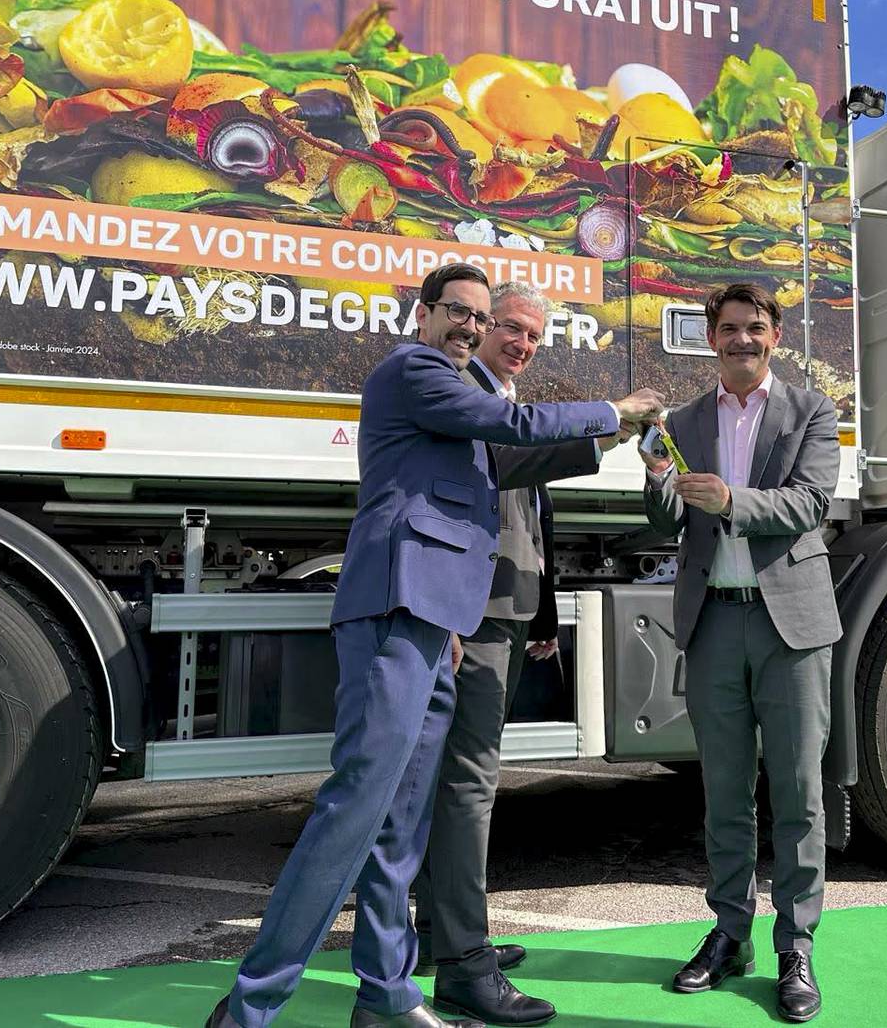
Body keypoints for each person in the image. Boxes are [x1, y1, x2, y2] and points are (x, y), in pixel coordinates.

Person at [206, 263, 665, 1028]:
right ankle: (251, 1007)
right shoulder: (414, 370)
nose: (471, 328)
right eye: (460, 312)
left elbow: (510, 462)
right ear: (423, 313)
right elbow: (513, 431)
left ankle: (388, 996)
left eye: (479, 319)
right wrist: (609, 406)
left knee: (399, 824)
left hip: (433, 619)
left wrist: (610, 435)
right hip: (395, 607)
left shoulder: (451, 397)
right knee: (356, 809)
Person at [412, 281, 632, 1026]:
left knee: (457, 783)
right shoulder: (468, 392)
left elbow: (526, 509)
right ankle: (463, 965)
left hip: (502, 609)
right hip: (473, 616)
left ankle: (440, 934)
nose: (522, 342)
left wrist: (540, 608)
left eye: (535, 335)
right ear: (475, 326)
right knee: (469, 784)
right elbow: (509, 460)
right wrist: (608, 425)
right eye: (510, 327)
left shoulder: (493, 393)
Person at [641, 282, 840, 1024]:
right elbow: (666, 516)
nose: (741, 339)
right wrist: (658, 479)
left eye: (754, 327)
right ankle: (730, 932)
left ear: (775, 334)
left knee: (797, 793)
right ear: (710, 337)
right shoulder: (685, 419)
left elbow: (812, 502)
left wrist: (731, 500)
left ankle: (797, 945)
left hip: (790, 623)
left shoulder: (811, 409)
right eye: (728, 329)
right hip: (713, 622)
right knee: (725, 793)